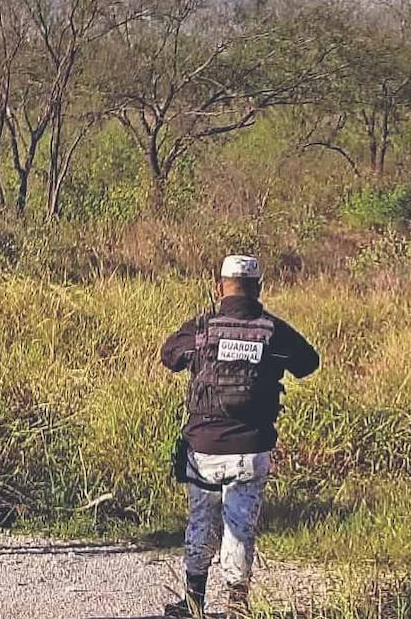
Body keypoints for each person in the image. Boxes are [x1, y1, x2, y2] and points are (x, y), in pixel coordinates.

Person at [160, 255, 320, 618]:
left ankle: (192, 603)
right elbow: (309, 363)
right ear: (259, 289)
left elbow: (169, 355)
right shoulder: (273, 330)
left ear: (220, 288)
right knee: (240, 526)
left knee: (201, 520)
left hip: (204, 448)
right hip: (251, 449)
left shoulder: (201, 327)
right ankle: (237, 606)